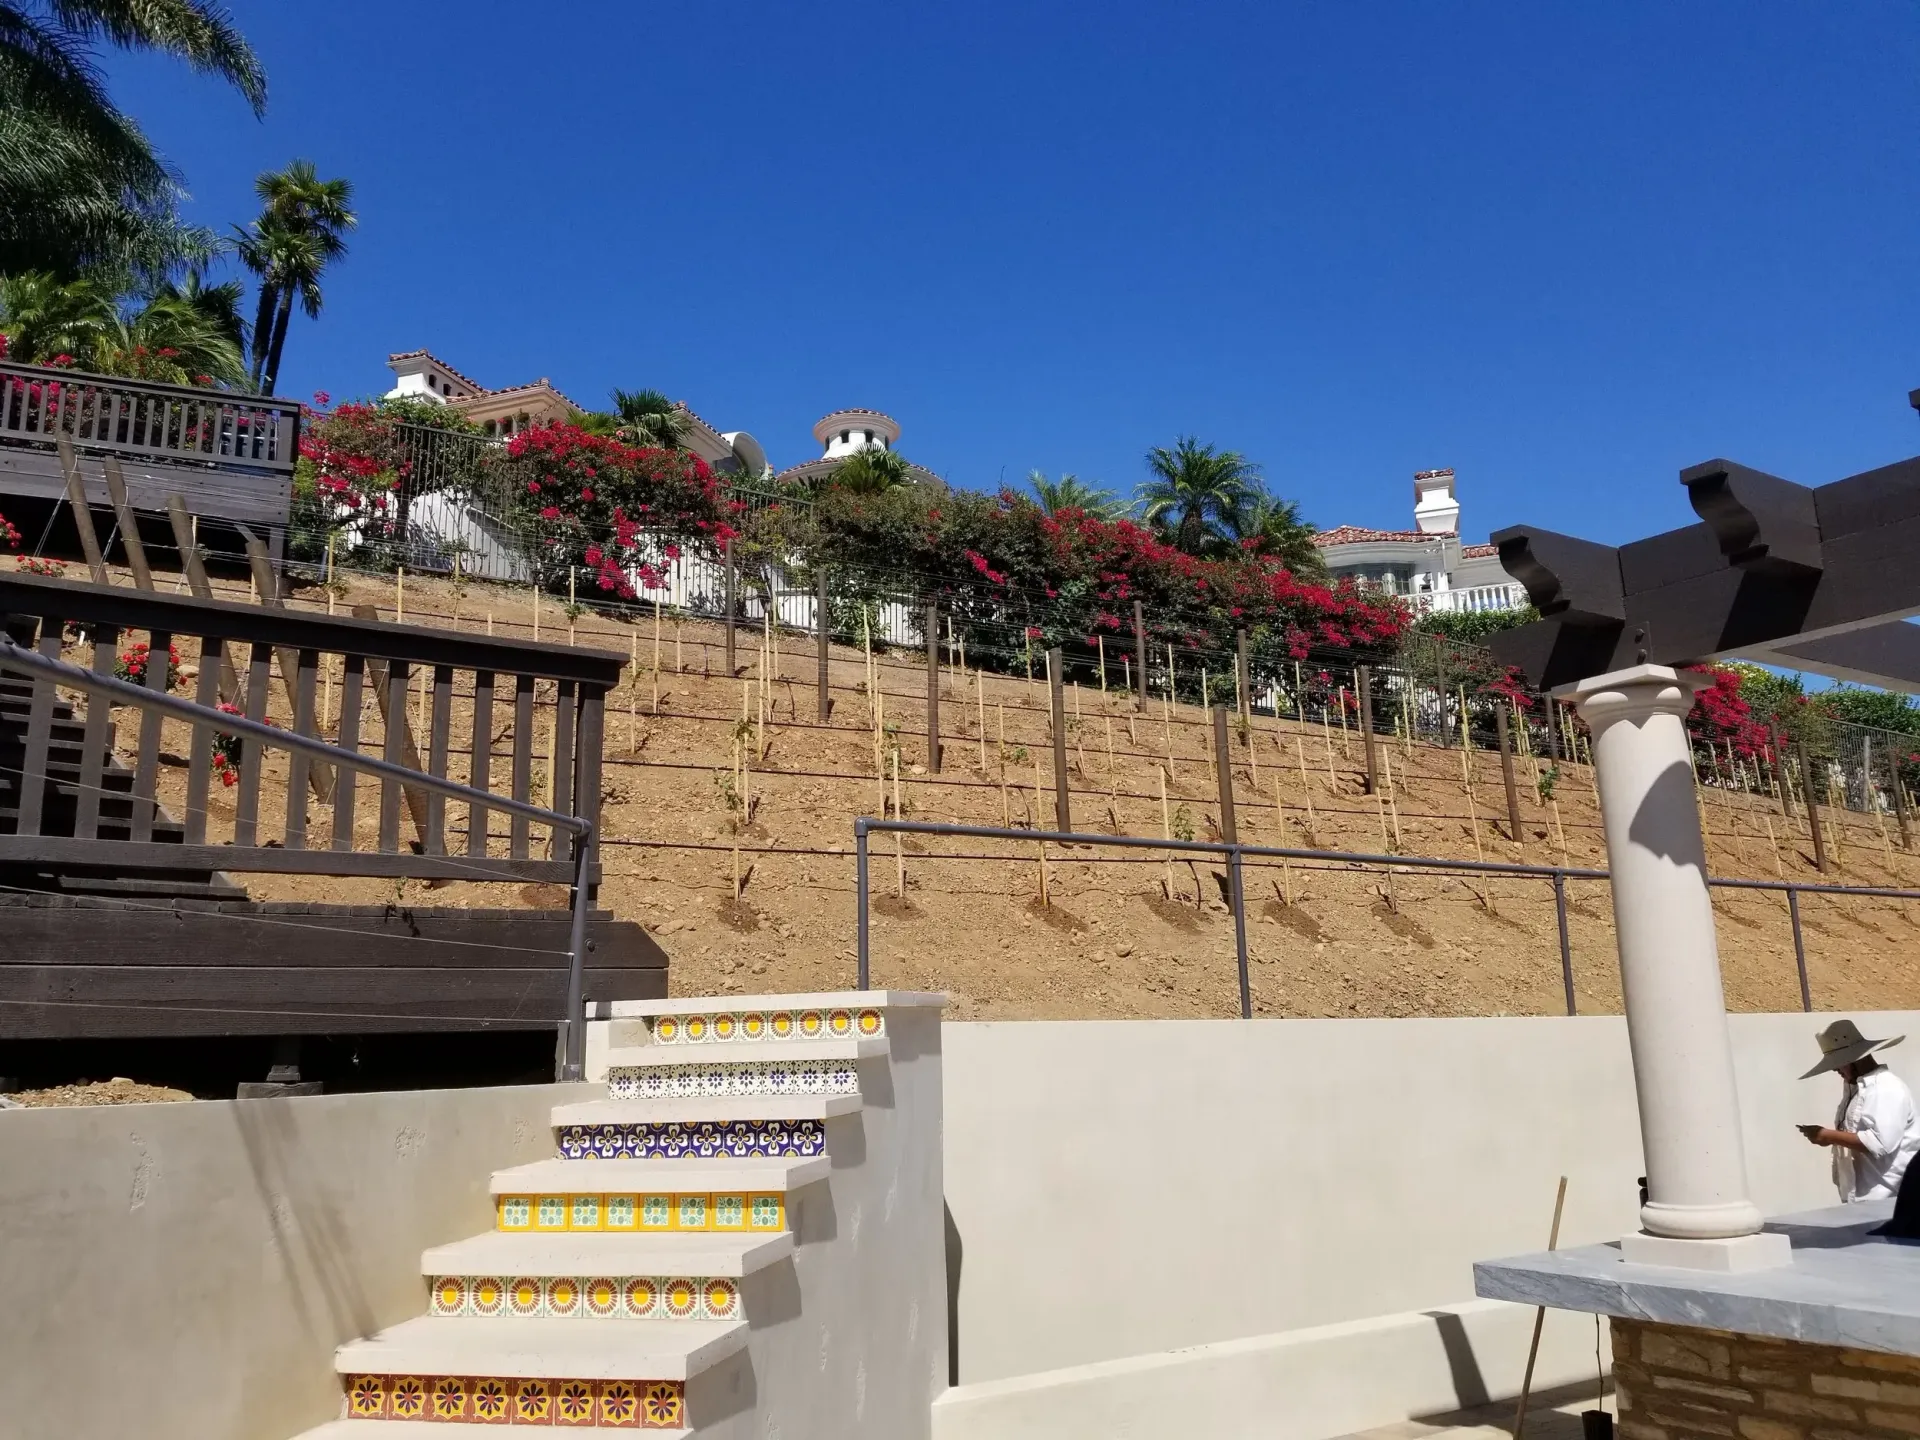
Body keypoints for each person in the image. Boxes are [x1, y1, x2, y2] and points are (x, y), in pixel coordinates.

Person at [1798, 1019, 1920, 1203]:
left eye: (1838, 1063)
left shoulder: (1885, 1087)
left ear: (1855, 1060)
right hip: (1867, 1201)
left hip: (1890, 1200)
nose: (1835, 1069)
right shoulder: (1858, 1088)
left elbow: (1879, 1143)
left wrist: (1827, 1135)